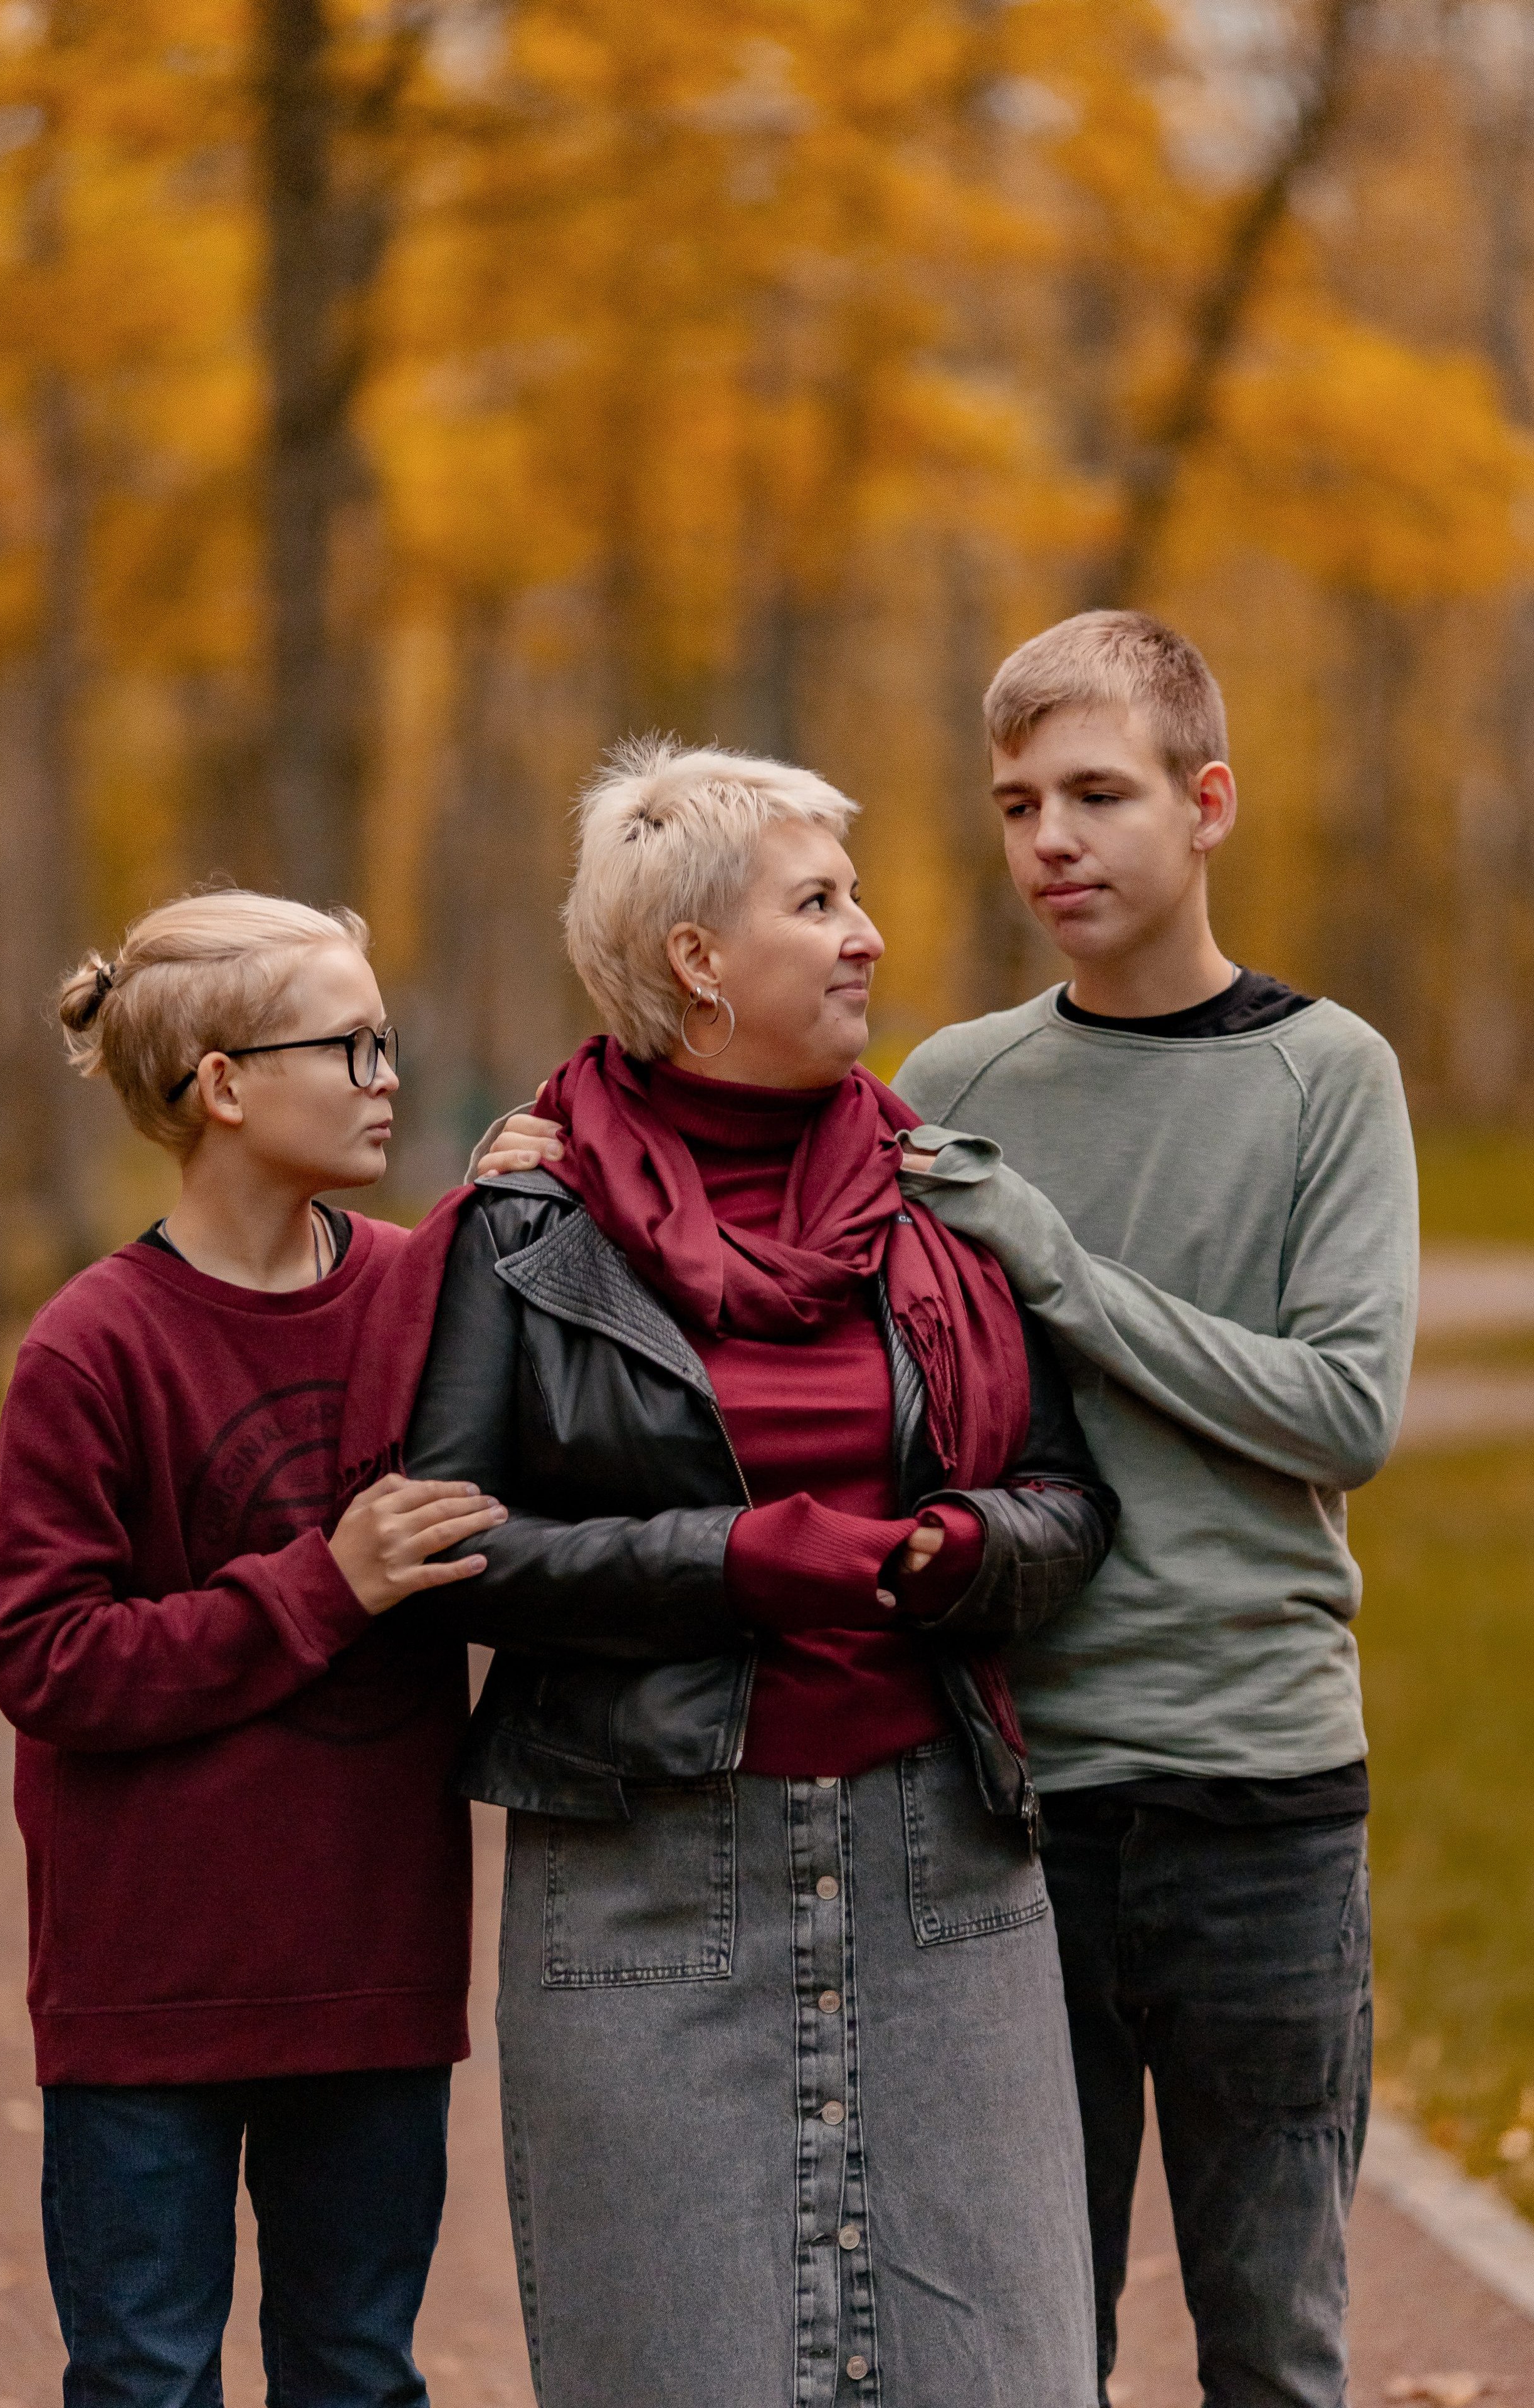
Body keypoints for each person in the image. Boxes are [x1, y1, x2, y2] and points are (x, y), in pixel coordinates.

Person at [484, 619, 1418, 2408]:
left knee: (1275, 2335)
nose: (1052, 839)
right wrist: (539, 1153)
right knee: (1022, 2340)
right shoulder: (958, 1083)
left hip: (1259, 1785)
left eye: (1098, 795)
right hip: (1020, 1792)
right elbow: (728, 1170)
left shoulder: (1332, 1076)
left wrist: (1057, 1267)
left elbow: (1346, 1413)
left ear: (1206, 805)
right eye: (1016, 805)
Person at [390, 740, 1119, 2408]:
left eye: (852, 897)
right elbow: (449, 1546)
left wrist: (968, 1554)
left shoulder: (948, 1204)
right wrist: (737, 1562)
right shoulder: (531, 1229)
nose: (867, 933)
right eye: (819, 901)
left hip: (948, 1863)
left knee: (999, 2372)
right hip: (647, 1878)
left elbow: (1068, 1498)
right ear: (696, 961)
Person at [0, 890, 507, 2408]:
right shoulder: (94, 1346)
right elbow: (48, 1659)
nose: (387, 1077)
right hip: (149, 1998)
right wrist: (321, 1587)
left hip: (369, 1975)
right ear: (222, 1084)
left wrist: (529, 1208)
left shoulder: (423, 1290)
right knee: (145, 2378)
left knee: (355, 2371)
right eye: (351, 1046)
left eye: (386, 1043)